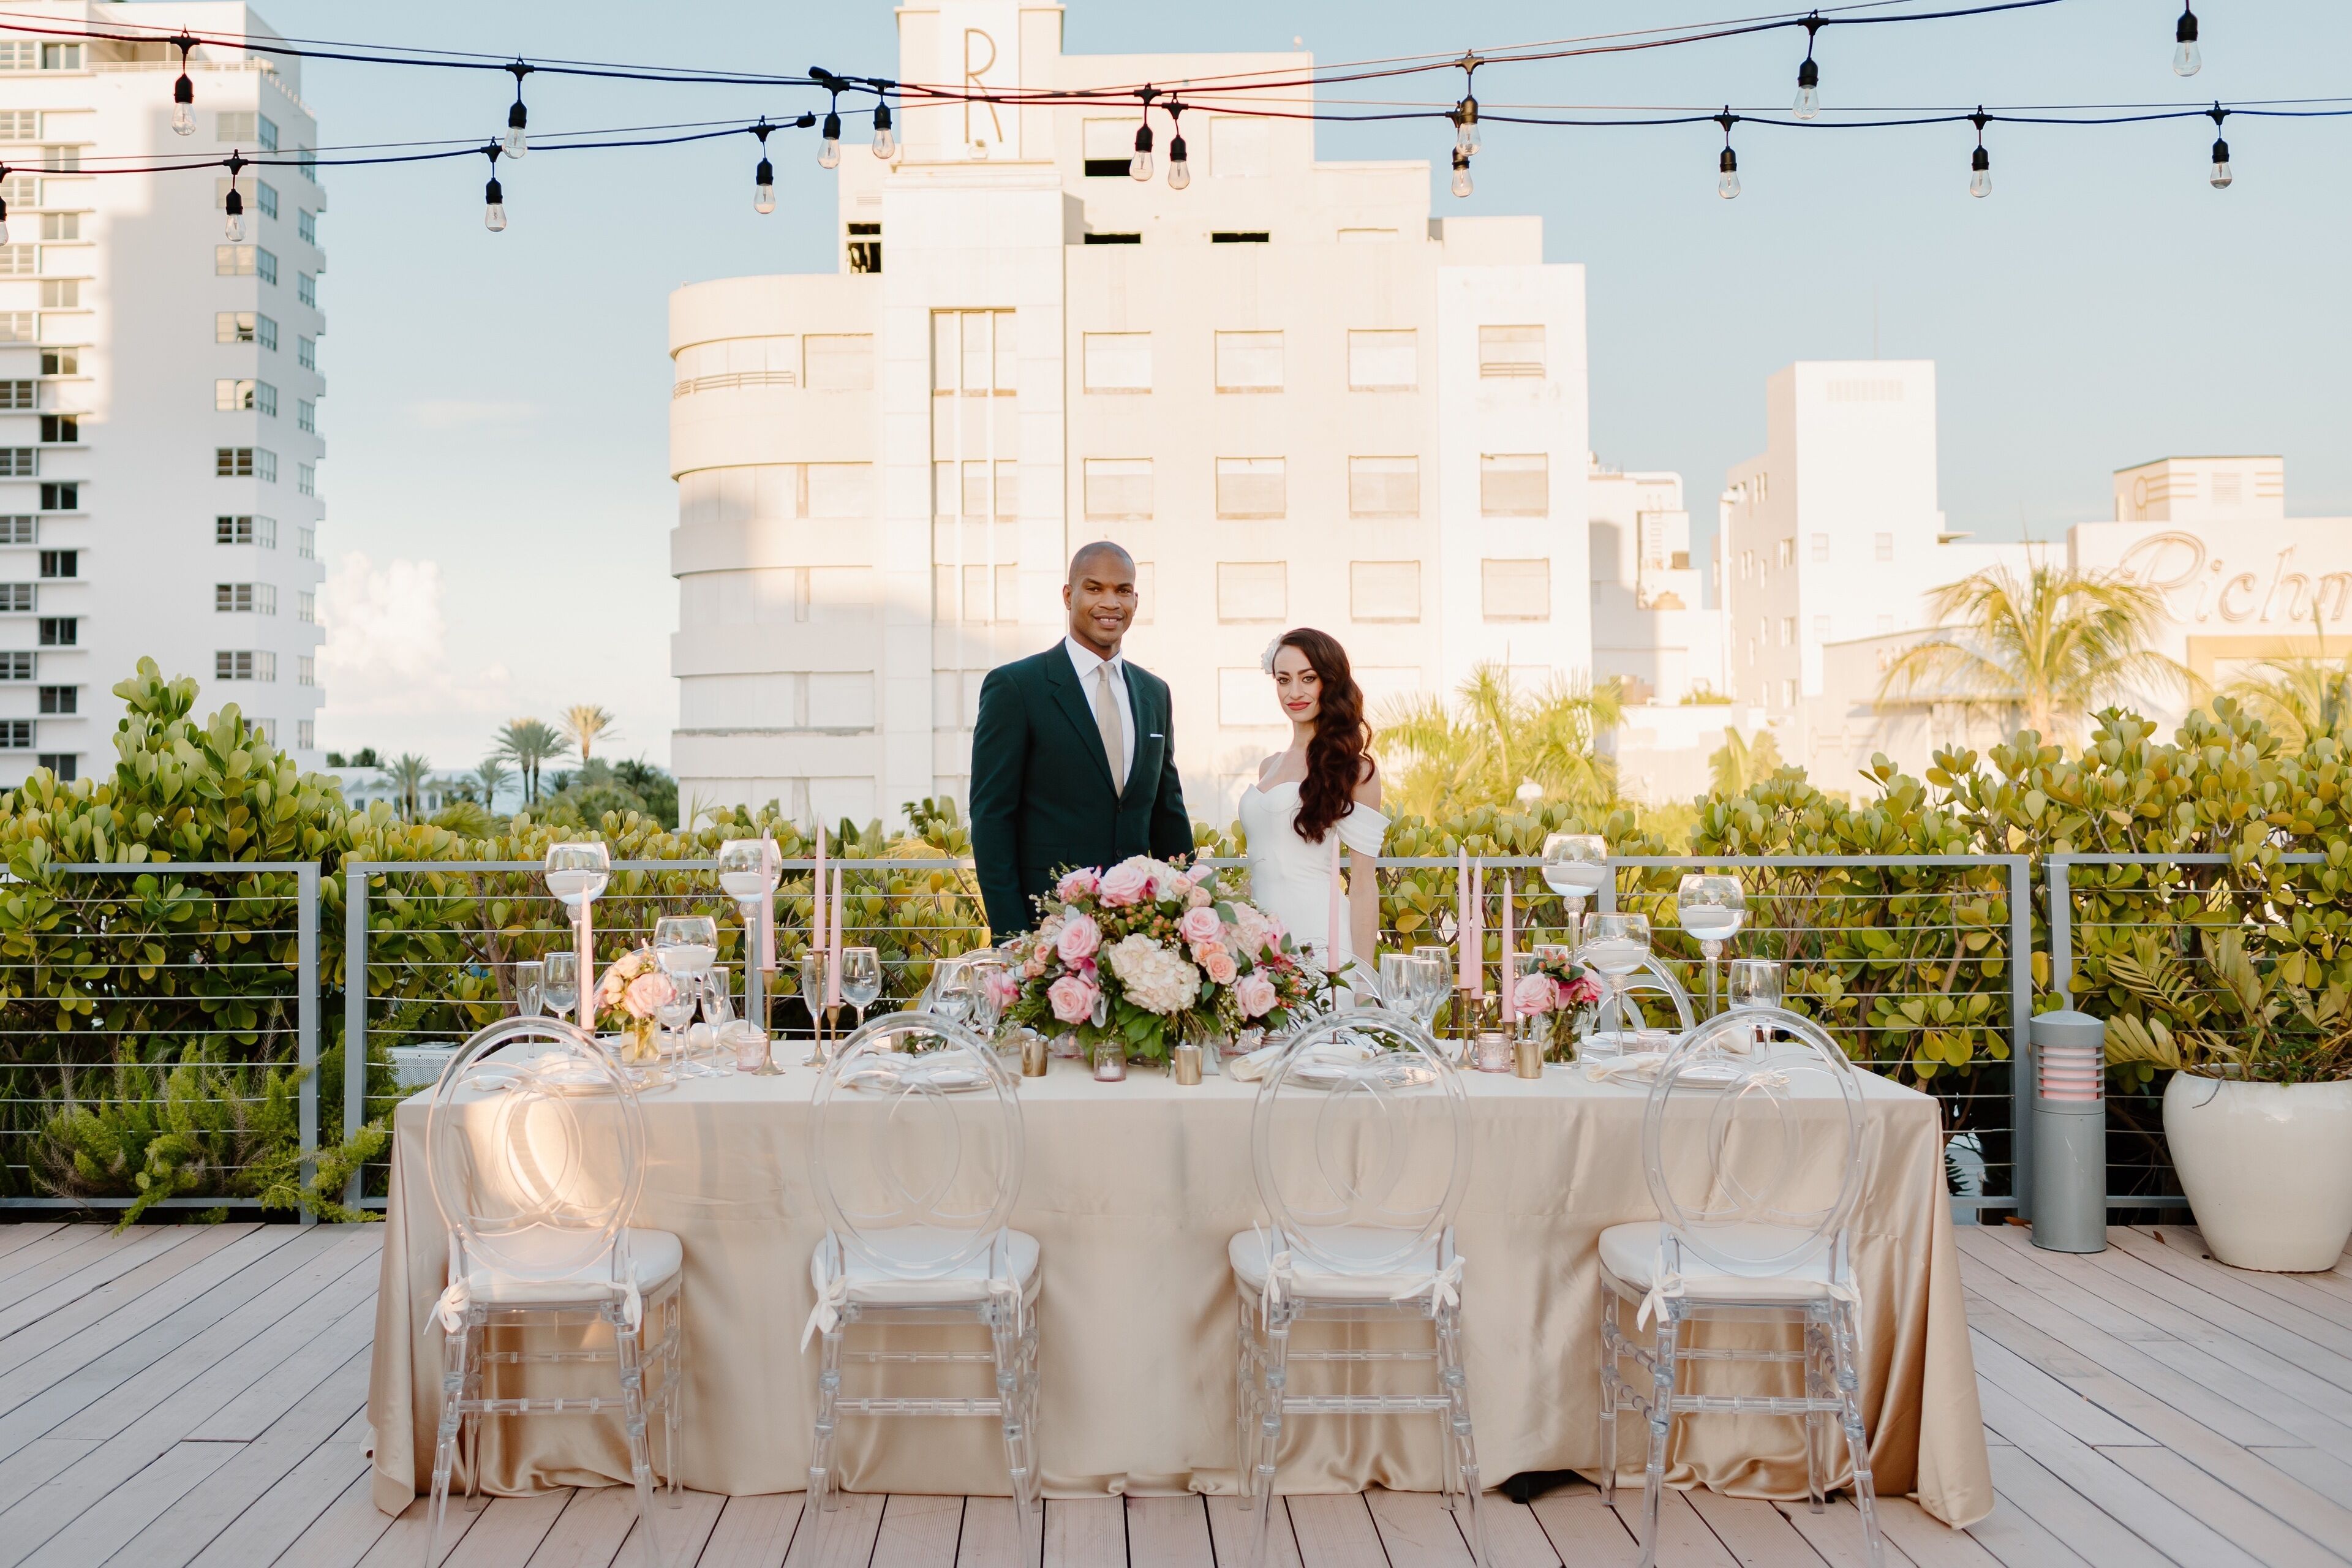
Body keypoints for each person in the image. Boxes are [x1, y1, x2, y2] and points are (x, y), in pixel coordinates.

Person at [968, 542, 1192, 937]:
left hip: (1141, 930)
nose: (1111, 603)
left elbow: (1167, 812)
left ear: (1136, 601)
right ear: (1069, 596)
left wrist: (1190, 916)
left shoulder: (1154, 693)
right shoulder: (1016, 687)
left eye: (1123, 590)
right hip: (1048, 928)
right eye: (1095, 588)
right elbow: (992, 817)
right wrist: (1013, 937)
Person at [1237, 628, 1388, 975]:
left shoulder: (1355, 770)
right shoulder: (1267, 766)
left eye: (1308, 678)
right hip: (1259, 940)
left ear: (1330, 682)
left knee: (1323, 1029)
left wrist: (1365, 981)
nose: (1294, 693)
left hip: (1321, 940)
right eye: (1283, 679)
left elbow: (1364, 885)